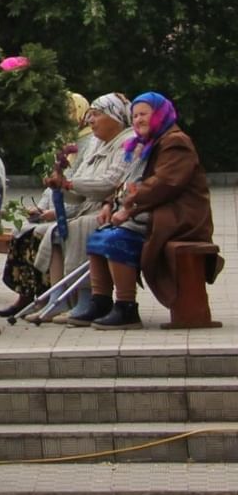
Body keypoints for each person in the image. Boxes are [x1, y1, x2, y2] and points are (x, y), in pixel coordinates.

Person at [68, 92, 220, 329]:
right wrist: (110, 204)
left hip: (179, 216)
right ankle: (101, 301)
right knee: (97, 236)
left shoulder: (175, 142)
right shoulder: (146, 143)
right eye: (135, 115)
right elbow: (126, 180)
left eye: (144, 114)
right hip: (155, 209)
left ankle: (126, 307)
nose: (138, 120)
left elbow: (164, 184)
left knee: (116, 238)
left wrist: (128, 208)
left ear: (160, 114)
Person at [0, 92, 128, 317]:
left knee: (66, 229)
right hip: (88, 207)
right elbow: (75, 187)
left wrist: (66, 187)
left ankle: (83, 297)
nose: (90, 120)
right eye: (90, 115)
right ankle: (54, 296)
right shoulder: (95, 143)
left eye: (96, 115)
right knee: (44, 231)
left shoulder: (119, 142)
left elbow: (109, 183)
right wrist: (59, 189)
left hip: (108, 210)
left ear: (115, 117)